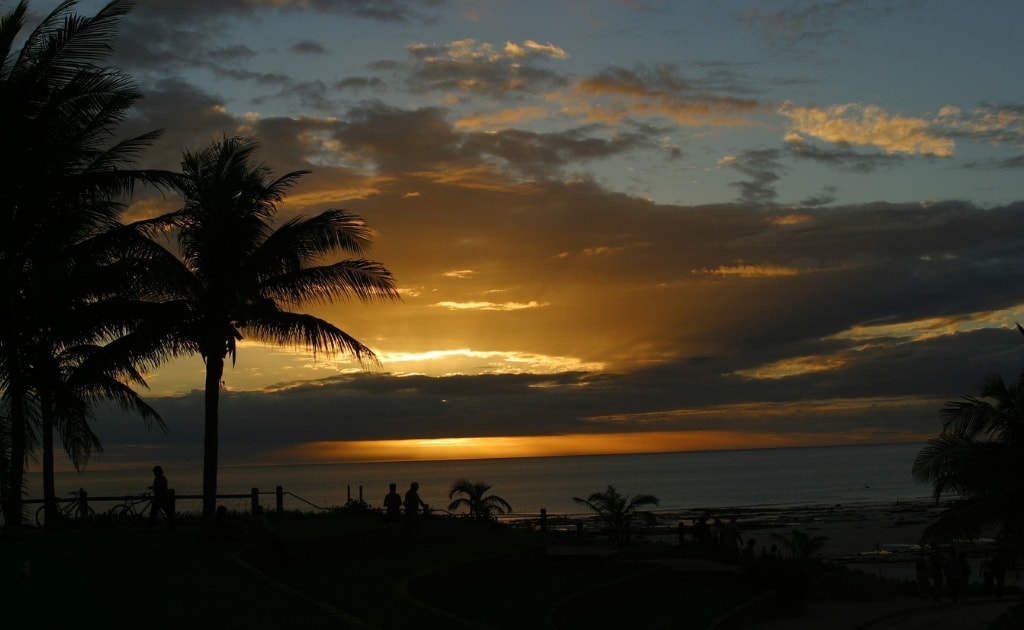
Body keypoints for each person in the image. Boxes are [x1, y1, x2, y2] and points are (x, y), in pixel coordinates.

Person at [147, 465, 176, 531]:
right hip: (160, 499)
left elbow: (160, 488)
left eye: (155, 471)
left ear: (158, 472)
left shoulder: (161, 479)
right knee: (165, 513)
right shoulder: (160, 478)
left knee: (155, 514)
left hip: (161, 499)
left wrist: (154, 488)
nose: (154, 473)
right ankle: (172, 527)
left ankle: (150, 528)